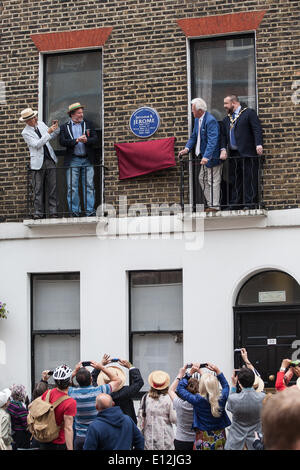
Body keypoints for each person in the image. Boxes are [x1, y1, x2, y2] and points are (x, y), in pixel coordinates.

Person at [68, 355, 123, 450]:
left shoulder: (71, 392)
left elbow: (64, 384)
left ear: (76, 380)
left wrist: (74, 372)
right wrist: (101, 367)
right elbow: (118, 380)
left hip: (80, 437)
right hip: (98, 434)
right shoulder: (99, 391)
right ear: (91, 379)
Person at [220, 95, 263, 210]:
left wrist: (258, 144)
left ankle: (250, 203)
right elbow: (223, 136)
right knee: (235, 179)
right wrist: (223, 149)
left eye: (226, 103)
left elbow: (256, 129)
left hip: (248, 152)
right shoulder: (226, 119)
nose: (224, 106)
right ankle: (236, 203)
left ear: (234, 103)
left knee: (249, 178)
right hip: (234, 154)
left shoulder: (249, 113)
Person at [178, 97, 222, 212]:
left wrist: (206, 156)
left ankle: (215, 206)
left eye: (193, 110)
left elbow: (213, 141)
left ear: (200, 110)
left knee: (213, 181)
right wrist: (187, 149)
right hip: (203, 156)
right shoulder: (198, 120)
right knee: (202, 179)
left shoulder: (210, 120)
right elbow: (194, 136)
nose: (192, 112)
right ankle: (211, 203)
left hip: (211, 157)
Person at [176, 363, 231, 450]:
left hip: (203, 437)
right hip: (220, 436)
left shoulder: (197, 399)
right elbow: (226, 386)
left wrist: (189, 373)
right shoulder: (222, 397)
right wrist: (217, 371)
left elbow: (179, 389)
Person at [20, 107, 60, 219]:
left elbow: (51, 136)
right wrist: (48, 132)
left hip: (50, 159)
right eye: (33, 118)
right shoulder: (26, 133)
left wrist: (55, 128)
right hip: (38, 163)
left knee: (53, 187)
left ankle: (53, 212)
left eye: (35, 116)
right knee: (38, 189)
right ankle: (38, 213)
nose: (36, 118)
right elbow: (37, 144)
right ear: (28, 121)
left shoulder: (41, 124)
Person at [59, 102, 98, 217]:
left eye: (82, 112)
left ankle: (90, 211)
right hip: (73, 160)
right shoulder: (64, 127)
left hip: (87, 159)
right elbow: (62, 142)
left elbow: (95, 139)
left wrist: (87, 141)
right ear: (72, 114)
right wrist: (76, 140)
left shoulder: (88, 124)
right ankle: (74, 212)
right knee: (72, 187)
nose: (81, 115)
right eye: (79, 113)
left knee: (89, 186)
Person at [92, 357, 144, 424]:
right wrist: (130, 366)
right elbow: (139, 382)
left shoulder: (100, 392)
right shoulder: (125, 392)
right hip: (126, 426)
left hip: (106, 425)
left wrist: (101, 365)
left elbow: (92, 378)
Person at [225, 368, 265, 450]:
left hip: (235, 439)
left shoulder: (233, 399)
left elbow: (230, 408)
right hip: (256, 439)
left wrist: (233, 386)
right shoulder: (262, 397)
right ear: (254, 380)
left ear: (239, 382)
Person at [40, 364, 77, 450]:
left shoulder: (47, 393)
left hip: (45, 438)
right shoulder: (70, 402)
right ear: (69, 381)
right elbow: (68, 428)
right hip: (59, 442)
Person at [137, 370, 176, 450]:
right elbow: (174, 419)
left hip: (148, 437)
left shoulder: (145, 397)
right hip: (165, 438)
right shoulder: (169, 398)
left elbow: (141, 418)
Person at [168, 365, 199, 450]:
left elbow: (171, 390)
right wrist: (201, 373)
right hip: (197, 440)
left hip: (181, 440)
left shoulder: (179, 403)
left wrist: (181, 374)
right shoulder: (201, 404)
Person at [6, 384, 31, 449]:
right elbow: (25, 424)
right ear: (22, 395)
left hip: (13, 432)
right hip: (21, 434)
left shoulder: (10, 404)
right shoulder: (20, 408)